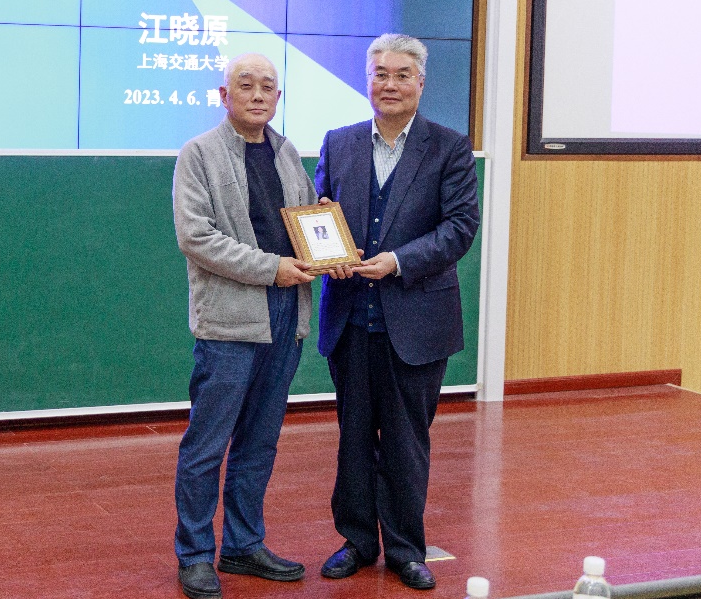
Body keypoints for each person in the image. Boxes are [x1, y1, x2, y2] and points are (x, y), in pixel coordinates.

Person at [313, 34, 481, 591]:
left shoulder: (449, 148)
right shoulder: (339, 143)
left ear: (421, 83)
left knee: (407, 442)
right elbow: (320, 214)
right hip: (350, 319)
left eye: (402, 75)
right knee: (354, 438)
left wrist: (398, 262)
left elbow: (460, 228)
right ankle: (357, 541)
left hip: (418, 323)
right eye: (380, 73)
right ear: (367, 80)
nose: (390, 84)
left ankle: (407, 550)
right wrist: (328, 252)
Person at [171, 53, 317, 599]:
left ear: (278, 98)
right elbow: (196, 237)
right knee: (207, 444)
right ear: (223, 95)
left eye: (267, 87)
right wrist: (271, 268)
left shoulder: (287, 153)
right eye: (246, 85)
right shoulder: (199, 153)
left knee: (260, 441)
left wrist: (326, 238)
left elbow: (306, 221)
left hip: (287, 313)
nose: (257, 95)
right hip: (230, 319)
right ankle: (194, 555)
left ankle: (242, 544)